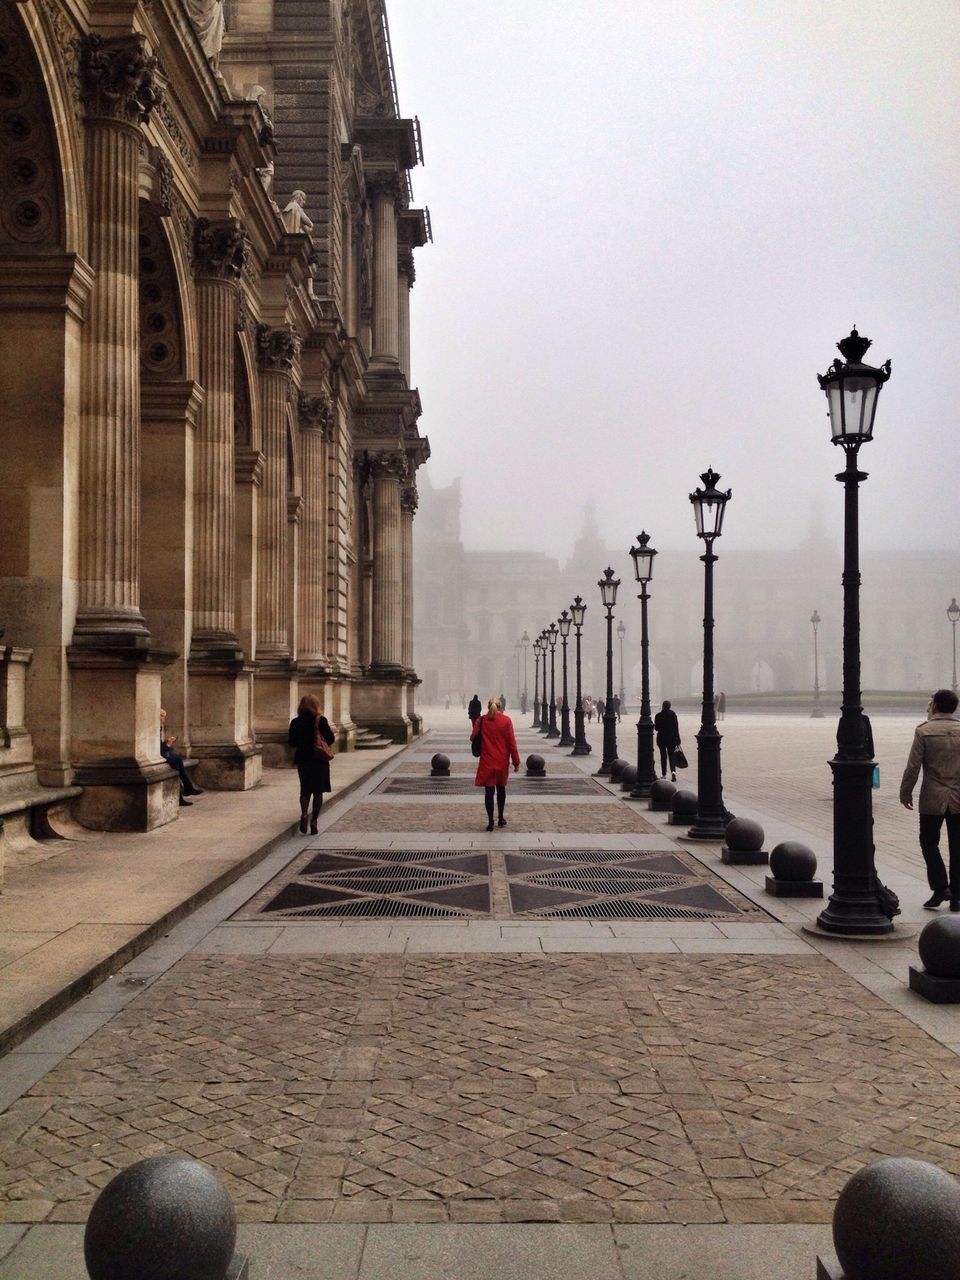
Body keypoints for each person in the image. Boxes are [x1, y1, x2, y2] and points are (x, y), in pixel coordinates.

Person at [900, 688, 960, 911]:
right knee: (957, 846)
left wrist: (905, 793)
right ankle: (957, 896)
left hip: (932, 797)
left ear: (934, 705)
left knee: (928, 843)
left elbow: (913, 767)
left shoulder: (924, 731)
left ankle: (940, 887)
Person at [288, 693, 335, 835]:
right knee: (318, 792)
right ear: (316, 706)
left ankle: (303, 814)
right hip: (319, 759)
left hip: (303, 759)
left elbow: (291, 742)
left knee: (305, 790)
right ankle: (314, 820)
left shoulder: (295, 722)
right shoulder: (320, 720)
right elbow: (331, 739)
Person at [471, 697, 520, 831]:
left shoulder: (481, 720)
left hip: (487, 760)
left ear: (488, 707)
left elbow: (473, 736)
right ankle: (501, 818)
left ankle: (490, 821)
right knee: (501, 790)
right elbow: (512, 743)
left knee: (489, 791)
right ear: (500, 707)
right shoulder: (506, 721)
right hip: (502, 761)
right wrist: (516, 762)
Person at [160, 709, 203, 807]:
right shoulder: (155, 729)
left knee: (176, 765)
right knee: (178, 760)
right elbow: (157, 749)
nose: (164, 719)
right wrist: (167, 745)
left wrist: (166, 743)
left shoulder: (158, 728)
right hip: (160, 756)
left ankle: (183, 792)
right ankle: (187, 788)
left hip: (162, 754)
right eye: (162, 716)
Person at [654, 699, 681, 781]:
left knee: (663, 756)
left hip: (661, 738)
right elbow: (676, 727)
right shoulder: (673, 714)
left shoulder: (658, 715)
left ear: (662, 706)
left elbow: (656, 728)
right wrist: (678, 738)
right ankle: (673, 772)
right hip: (671, 738)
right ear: (669, 706)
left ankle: (663, 773)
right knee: (671, 756)